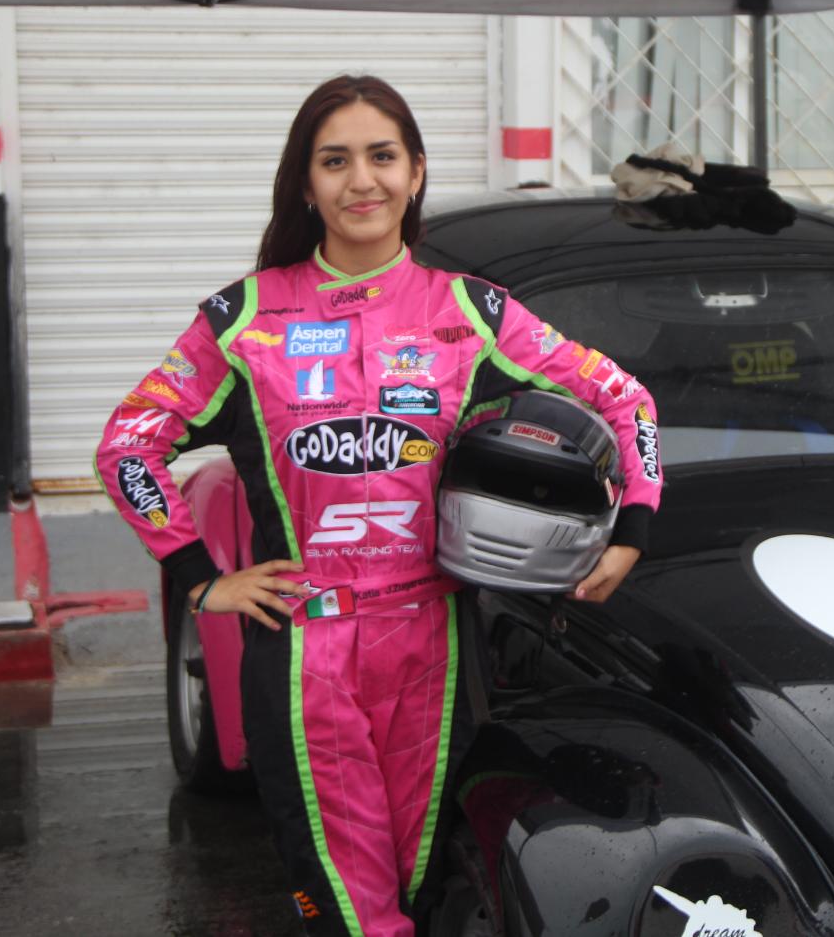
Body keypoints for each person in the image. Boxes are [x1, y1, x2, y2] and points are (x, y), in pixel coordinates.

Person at [95, 74, 663, 936]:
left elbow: (625, 399)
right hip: (306, 656)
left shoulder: (471, 312)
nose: (362, 180)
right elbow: (128, 441)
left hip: (434, 649)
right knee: (348, 911)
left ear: (416, 171)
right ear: (305, 182)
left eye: (382, 156)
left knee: (425, 892)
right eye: (335, 161)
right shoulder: (245, 319)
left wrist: (634, 527)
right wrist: (202, 575)